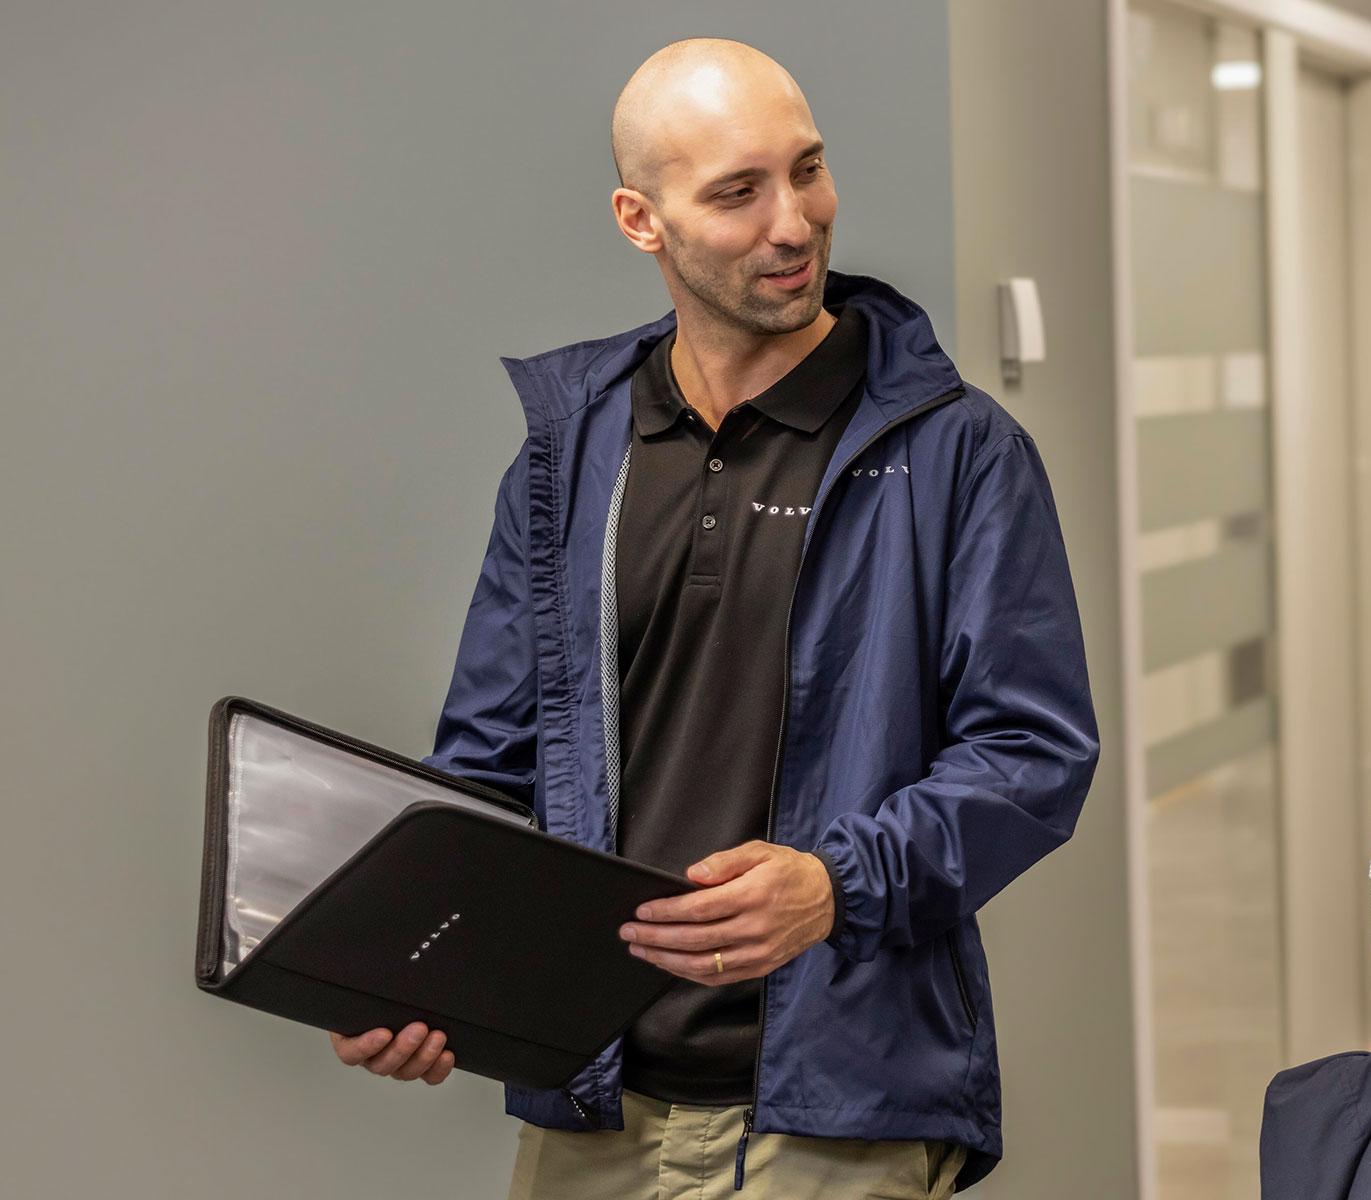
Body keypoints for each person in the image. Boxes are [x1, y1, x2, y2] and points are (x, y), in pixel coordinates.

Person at [327, 38, 1098, 1200]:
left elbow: (1033, 756)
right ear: (642, 220)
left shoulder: (954, 450)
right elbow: (489, 765)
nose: (793, 223)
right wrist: (417, 971)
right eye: (737, 193)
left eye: (807, 171)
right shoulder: (569, 455)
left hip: (841, 1109)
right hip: (593, 1096)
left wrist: (837, 883)